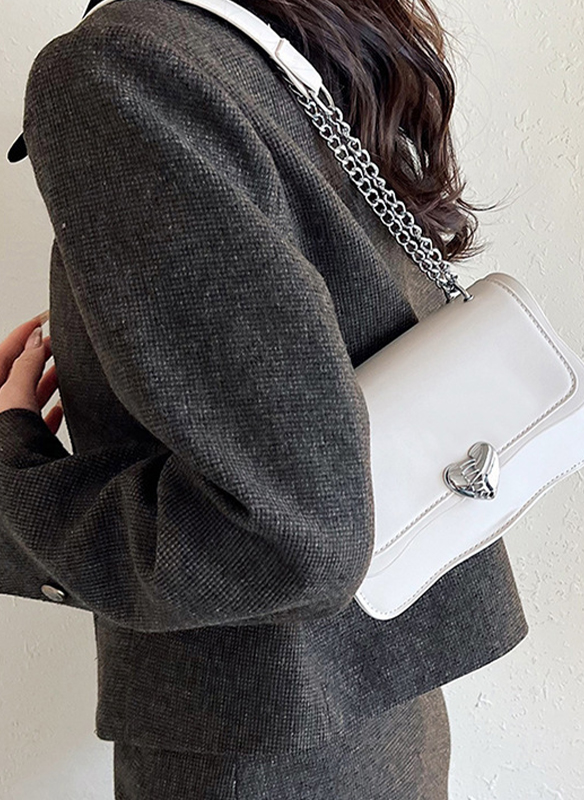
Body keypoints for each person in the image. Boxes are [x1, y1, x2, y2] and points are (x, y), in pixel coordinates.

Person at [0, 0, 529, 797]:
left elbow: (289, 536)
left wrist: (13, 482)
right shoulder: (266, 33)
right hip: (377, 706)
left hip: (256, 751)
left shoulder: (118, 66)